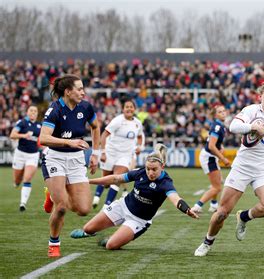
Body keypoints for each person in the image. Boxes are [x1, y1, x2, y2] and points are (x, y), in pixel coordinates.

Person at [194, 81, 264, 257]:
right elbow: (233, 127)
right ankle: (207, 241)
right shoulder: (251, 110)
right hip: (242, 167)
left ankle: (244, 217)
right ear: (261, 95)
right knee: (222, 213)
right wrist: (253, 127)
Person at [70, 144, 199, 250]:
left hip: (138, 220)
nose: (150, 172)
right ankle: (93, 231)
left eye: (154, 169)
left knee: (110, 246)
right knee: (87, 228)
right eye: (148, 168)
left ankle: (114, 238)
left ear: (162, 167)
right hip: (122, 206)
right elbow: (116, 178)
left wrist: (187, 210)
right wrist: (89, 181)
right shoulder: (140, 172)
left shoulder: (165, 182)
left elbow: (175, 199)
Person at [40, 74, 100, 257]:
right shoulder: (55, 109)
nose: (83, 92)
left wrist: (95, 154)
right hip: (55, 158)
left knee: (83, 210)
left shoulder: (86, 107)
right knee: (62, 207)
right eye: (79, 89)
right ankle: (54, 243)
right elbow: (43, 138)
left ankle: (52, 193)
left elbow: (96, 127)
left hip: (76, 160)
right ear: (67, 91)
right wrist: (70, 142)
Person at [92, 100, 144, 209]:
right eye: (127, 107)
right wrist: (103, 152)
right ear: (123, 109)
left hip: (125, 155)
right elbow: (104, 135)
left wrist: (139, 147)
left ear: (134, 109)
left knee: (117, 178)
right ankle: (96, 197)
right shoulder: (117, 121)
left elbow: (140, 136)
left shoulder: (137, 123)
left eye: (131, 107)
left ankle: (106, 206)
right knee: (106, 180)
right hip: (111, 152)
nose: (129, 109)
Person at [192, 104, 230, 214]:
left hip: (211, 157)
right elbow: (211, 146)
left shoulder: (219, 125)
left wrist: (220, 147)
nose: (223, 113)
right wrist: (223, 158)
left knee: (217, 184)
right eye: (220, 112)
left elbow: (214, 143)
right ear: (215, 115)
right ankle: (197, 206)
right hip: (209, 158)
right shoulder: (217, 127)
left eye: (224, 111)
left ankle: (213, 205)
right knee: (217, 187)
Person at [9, 106, 42, 211]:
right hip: (20, 154)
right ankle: (17, 182)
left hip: (33, 155)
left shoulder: (40, 126)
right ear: (27, 112)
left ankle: (22, 203)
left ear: (37, 114)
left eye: (35, 111)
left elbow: (43, 139)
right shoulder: (22, 123)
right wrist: (24, 135)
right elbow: (12, 135)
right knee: (17, 181)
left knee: (27, 178)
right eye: (31, 110)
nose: (33, 112)